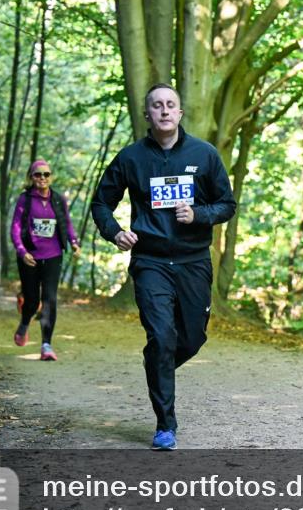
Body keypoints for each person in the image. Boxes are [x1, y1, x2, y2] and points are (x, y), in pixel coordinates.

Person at [91, 83, 236, 450]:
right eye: (157, 105)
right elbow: (101, 203)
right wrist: (115, 233)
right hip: (151, 261)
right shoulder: (131, 158)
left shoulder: (204, 154)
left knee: (191, 338)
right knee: (161, 336)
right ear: (148, 114)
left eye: (171, 104)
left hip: (193, 261)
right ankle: (165, 425)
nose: (165, 111)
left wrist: (199, 214)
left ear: (180, 112)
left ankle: (158, 362)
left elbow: (227, 204)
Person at [10, 159, 81, 361]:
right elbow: (15, 227)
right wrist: (22, 251)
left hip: (53, 255)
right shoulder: (25, 199)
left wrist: (74, 242)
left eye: (46, 174)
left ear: (51, 177)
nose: (42, 178)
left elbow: (66, 222)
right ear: (31, 177)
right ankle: (25, 322)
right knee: (32, 300)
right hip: (30, 256)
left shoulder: (58, 199)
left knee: (49, 298)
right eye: (38, 174)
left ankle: (46, 345)